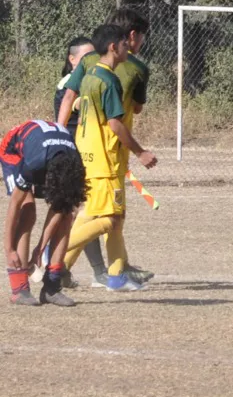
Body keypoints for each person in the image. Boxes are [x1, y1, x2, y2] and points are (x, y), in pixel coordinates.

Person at [61, 23, 159, 291]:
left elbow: (78, 103)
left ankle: (113, 275)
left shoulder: (90, 75)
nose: (129, 48)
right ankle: (52, 254)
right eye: (125, 44)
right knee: (111, 219)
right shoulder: (109, 80)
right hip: (105, 159)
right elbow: (115, 124)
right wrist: (141, 152)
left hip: (89, 154)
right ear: (114, 46)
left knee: (102, 215)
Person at [4, 120, 85, 306]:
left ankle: (52, 287)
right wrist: (9, 250)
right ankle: (19, 289)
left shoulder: (75, 165)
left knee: (66, 215)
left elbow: (61, 206)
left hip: (52, 156)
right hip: (14, 152)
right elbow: (14, 205)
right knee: (27, 211)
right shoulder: (34, 164)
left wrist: (40, 249)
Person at [55, 36, 95, 131]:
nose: (91, 61)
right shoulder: (66, 84)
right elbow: (79, 104)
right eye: (85, 57)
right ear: (72, 59)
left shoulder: (90, 79)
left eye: (94, 56)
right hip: (73, 141)